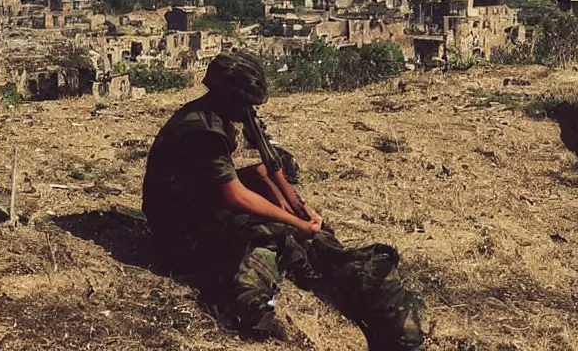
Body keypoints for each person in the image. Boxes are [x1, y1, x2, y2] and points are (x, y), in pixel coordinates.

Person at [142, 52, 426, 350]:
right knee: (272, 233)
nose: (251, 110)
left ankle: (337, 269)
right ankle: (249, 304)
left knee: (292, 222)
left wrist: (300, 208)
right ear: (228, 95)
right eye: (247, 102)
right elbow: (234, 195)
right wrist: (291, 222)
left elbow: (268, 169)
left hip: (196, 204)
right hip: (177, 230)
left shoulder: (222, 114)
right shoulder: (201, 129)